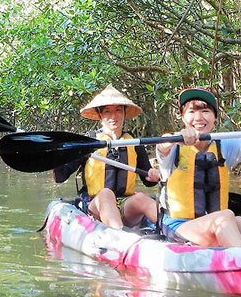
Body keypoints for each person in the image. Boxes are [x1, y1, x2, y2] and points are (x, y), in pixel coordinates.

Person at [155, 88, 241, 247]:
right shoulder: (173, 148)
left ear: (215, 117)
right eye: (191, 111)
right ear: (182, 117)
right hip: (178, 229)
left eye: (205, 111)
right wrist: (177, 138)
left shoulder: (222, 146)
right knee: (224, 218)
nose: (199, 117)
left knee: (237, 220)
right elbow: (163, 144)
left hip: (215, 224)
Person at [54, 85, 161, 229]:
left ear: (124, 113)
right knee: (106, 194)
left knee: (142, 198)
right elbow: (60, 176)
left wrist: (153, 176)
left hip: (124, 204)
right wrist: (56, 157)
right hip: (95, 204)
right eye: (107, 112)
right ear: (100, 115)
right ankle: (120, 236)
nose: (113, 116)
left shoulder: (133, 142)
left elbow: (148, 180)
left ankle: (175, 233)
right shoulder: (89, 143)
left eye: (118, 110)